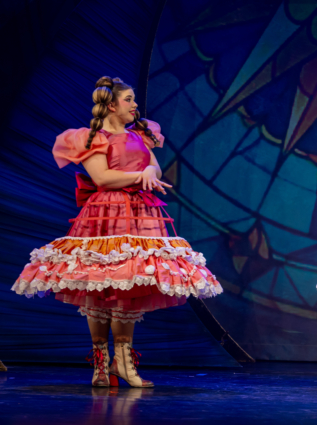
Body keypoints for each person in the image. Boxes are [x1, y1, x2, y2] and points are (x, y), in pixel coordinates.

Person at [12, 76, 223, 387]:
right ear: (111, 105)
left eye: (134, 99)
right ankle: (100, 364)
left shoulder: (141, 134)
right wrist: (140, 176)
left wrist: (149, 169)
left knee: (129, 281)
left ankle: (122, 362)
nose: (135, 105)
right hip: (107, 213)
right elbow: (103, 178)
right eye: (129, 100)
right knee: (99, 283)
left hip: (141, 213)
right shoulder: (93, 137)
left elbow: (154, 167)